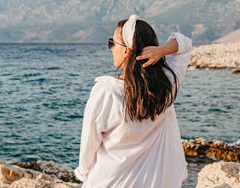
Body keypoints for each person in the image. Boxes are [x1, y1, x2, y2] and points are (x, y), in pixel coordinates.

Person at [74, 14, 192, 188]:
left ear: (127, 50)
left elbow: (88, 146)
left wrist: (84, 173)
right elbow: (184, 43)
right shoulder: (166, 85)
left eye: (112, 43)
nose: (111, 48)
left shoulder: (107, 91)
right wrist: (161, 50)